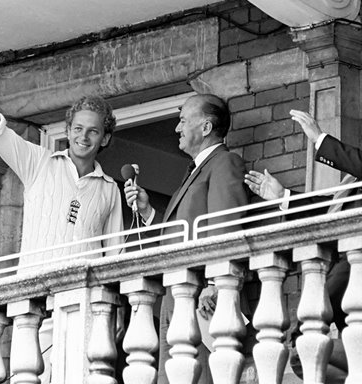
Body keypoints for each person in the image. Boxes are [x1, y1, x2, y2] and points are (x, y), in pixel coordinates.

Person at [0, 38, 124, 381]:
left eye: (93, 131)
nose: (83, 137)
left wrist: (112, 321)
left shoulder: (109, 190)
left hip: (84, 310)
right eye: (77, 129)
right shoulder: (39, 163)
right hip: (35, 308)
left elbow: (114, 260)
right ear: (67, 131)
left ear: (104, 138)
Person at [124, 93, 250, 384]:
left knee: (202, 376)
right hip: (177, 295)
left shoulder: (224, 162)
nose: (177, 129)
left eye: (182, 121)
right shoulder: (195, 169)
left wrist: (215, 285)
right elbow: (183, 234)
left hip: (202, 298)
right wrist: (148, 212)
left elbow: (225, 226)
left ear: (205, 128)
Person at [245, 109, 361, 383]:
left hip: (354, 265)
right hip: (346, 278)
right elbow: (325, 213)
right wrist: (282, 196)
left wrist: (320, 139)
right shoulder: (352, 181)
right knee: (305, 353)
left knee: (305, 345)